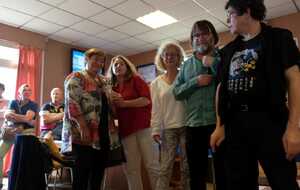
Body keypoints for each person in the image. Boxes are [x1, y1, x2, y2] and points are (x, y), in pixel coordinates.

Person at [210, 0, 300, 189]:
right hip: (236, 125)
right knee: (239, 183)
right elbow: (221, 90)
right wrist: (220, 125)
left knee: (283, 181)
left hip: (271, 121)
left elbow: (294, 79)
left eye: (230, 14)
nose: (227, 20)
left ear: (247, 12)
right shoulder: (228, 51)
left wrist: (293, 128)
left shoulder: (279, 38)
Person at [173, 20, 226, 190]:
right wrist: (195, 82)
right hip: (193, 126)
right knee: (197, 174)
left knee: (223, 171)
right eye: (196, 35)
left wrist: (215, 64)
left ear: (213, 37)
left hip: (218, 124)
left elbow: (231, 83)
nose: (200, 38)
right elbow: (177, 92)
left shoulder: (224, 58)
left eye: (204, 33)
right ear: (192, 40)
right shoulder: (186, 66)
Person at [108, 55, 158, 190]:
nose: (118, 66)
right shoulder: (112, 88)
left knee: (152, 166)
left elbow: (146, 100)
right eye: (115, 65)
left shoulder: (136, 80)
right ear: (112, 69)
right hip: (126, 131)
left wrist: (125, 104)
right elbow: (113, 112)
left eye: (121, 64)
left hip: (143, 128)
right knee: (131, 169)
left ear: (127, 66)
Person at [63, 48, 111, 190]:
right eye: (95, 59)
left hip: (103, 131)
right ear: (86, 60)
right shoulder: (77, 77)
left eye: (101, 61)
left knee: (98, 172)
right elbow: (72, 103)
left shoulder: (103, 81)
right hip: (83, 131)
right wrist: (83, 127)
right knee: (82, 173)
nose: (98, 63)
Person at [151, 41, 189, 190]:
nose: (169, 57)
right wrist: (155, 129)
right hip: (168, 129)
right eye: (166, 54)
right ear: (162, 57)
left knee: (187, 167)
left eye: (173, 54)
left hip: (187, 126)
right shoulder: (156, 83)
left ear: (179, 57)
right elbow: (156, 109)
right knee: (164, 168)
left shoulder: (185, 77)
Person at [0, 84, 38, 189]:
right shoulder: (13, 102)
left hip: (25, 133)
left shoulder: (33, 104)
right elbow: (8, 116)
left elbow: (26, 118)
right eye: (24, 90)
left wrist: (16, 116)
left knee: (20, 160)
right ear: (19, 93)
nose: (27, 91)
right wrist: (25, 119)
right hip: (11, 132)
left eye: (29, 90)